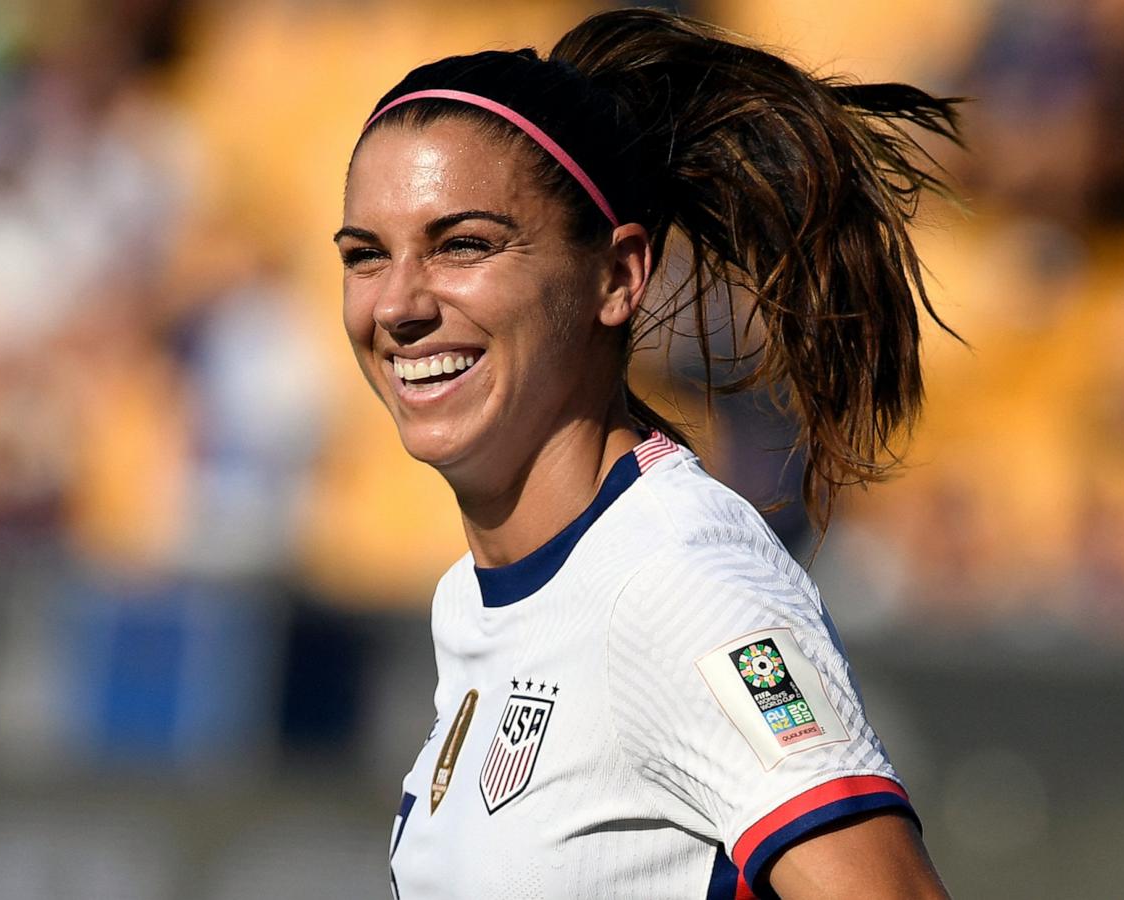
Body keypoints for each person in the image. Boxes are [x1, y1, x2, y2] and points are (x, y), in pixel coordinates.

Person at [332, 9, 959, 900]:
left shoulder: (678, 585)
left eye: (463, 245)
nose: (396, 305)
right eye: (365, 255)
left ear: (619, 276)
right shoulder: (477, 600)